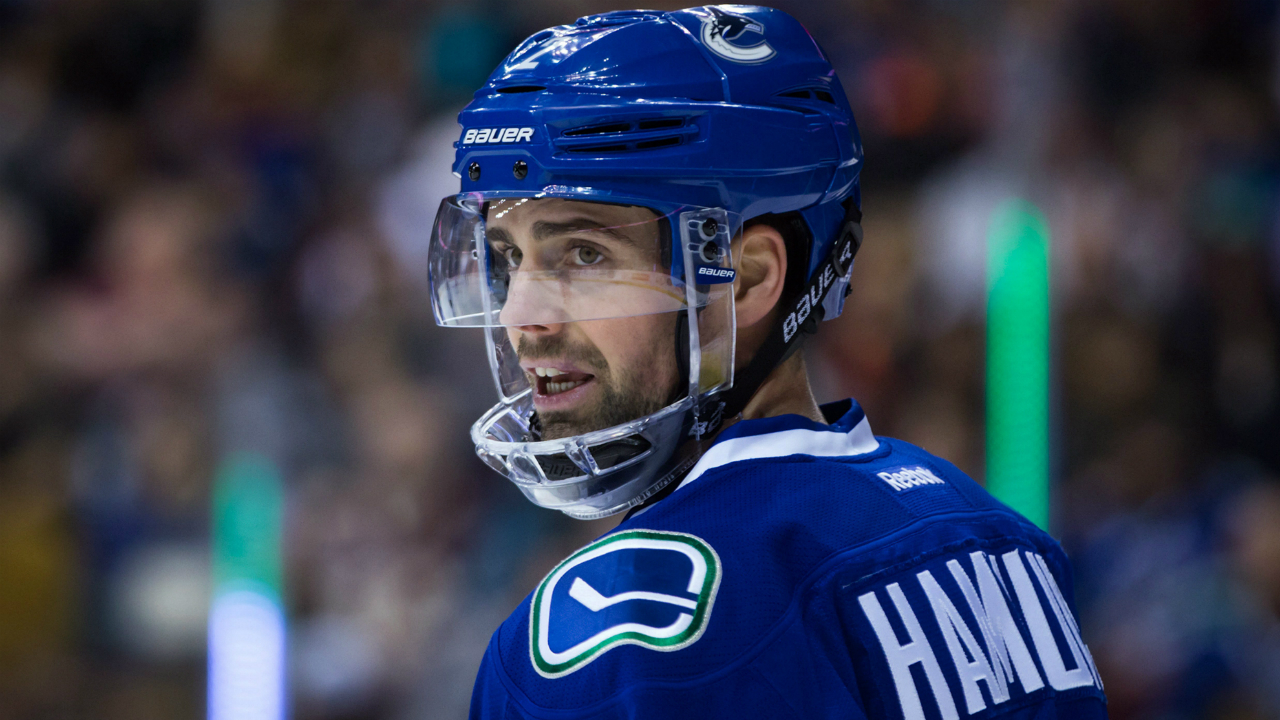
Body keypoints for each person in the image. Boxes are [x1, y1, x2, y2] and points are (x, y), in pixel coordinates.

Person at [426, 6, 1108, 718]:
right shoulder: (996, 541)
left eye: (584, 255)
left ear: (745, 279)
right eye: (508, 260)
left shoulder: (617, 637)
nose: (518, 316)